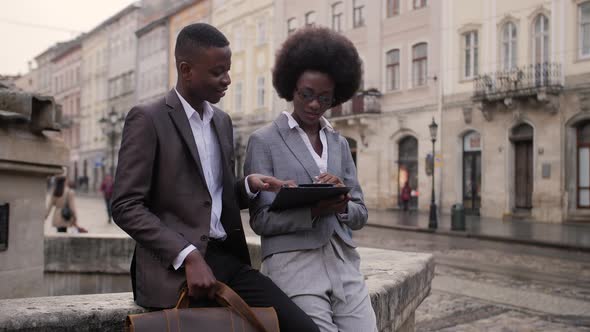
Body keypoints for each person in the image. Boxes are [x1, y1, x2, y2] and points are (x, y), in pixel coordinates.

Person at [110, 23, 319, 332]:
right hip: (174, 270)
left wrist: (248, 185)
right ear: (186, 69)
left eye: (228, 69)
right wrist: (188, 255)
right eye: (218, 72)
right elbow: (125, 205)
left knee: (302, 328)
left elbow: (208, 198)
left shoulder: (221, 121)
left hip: (226, 260)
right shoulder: (148, 118)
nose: (228, 80)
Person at [244, 26, 377, 332]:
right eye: (307, 94)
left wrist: (342, 205)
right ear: (291, 88)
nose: (315, 104)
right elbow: (261, 221)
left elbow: (360, 213)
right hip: (293, 263)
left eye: (325, 98)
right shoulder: (263, 141)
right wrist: (314, 210)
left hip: (343, 260)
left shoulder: (339, 143)